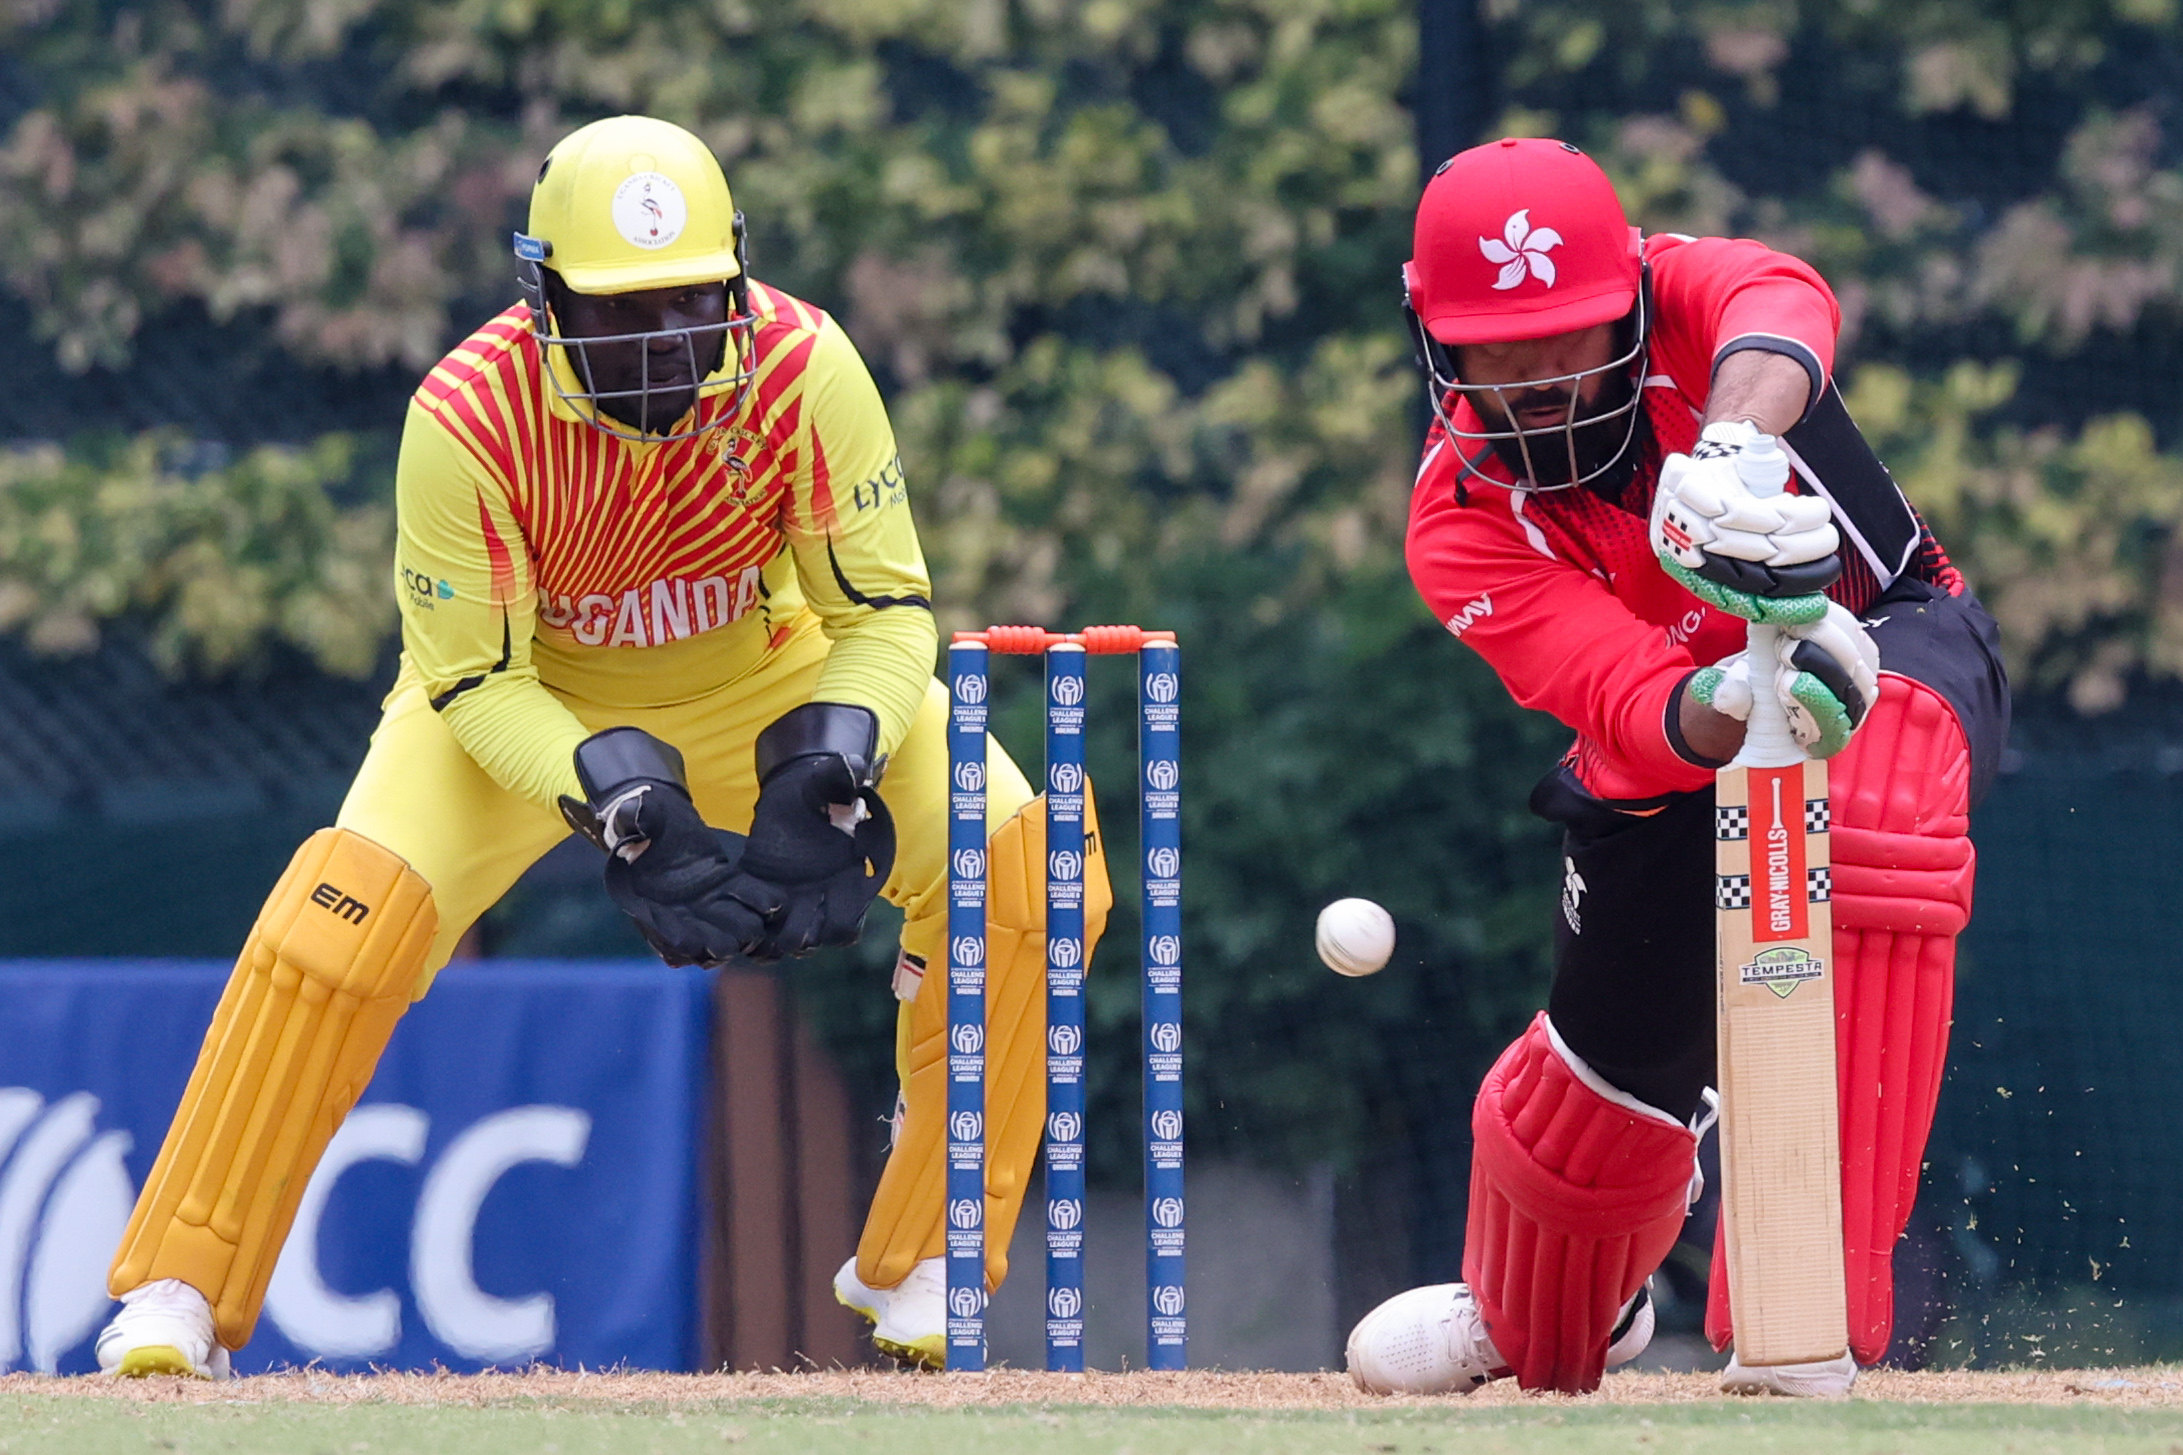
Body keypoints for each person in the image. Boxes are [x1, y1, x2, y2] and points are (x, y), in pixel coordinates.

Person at [92, 115, 1104, 1378]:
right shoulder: (465, 415)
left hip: (767, 674)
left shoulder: (804, 365)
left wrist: (833, 759)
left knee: (1030, 868)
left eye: (690, 301)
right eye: (624, 311)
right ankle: (180, 1287)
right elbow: (471, 675)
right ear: (545, 294)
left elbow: (886, 615)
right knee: (330, 937)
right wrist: (616, 798)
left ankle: (927, 1255)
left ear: (734, 275)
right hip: (533, 708)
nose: (666, 344)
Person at [1343, 138, 2007, 1398]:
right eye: (1498, 346)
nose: (1536, 377)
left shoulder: (1694, 302)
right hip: (1675, 733)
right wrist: (1739, 695)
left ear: (1632, 301)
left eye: (1568, 336)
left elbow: (1787, 300)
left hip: (1890, 629)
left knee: (1881, 768)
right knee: (1579, 1135)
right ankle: (1538, 1313)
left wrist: (1728, 455)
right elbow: (1624, 700)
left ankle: (1806, 1318)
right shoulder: (1457, 525)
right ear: (1437, 341)